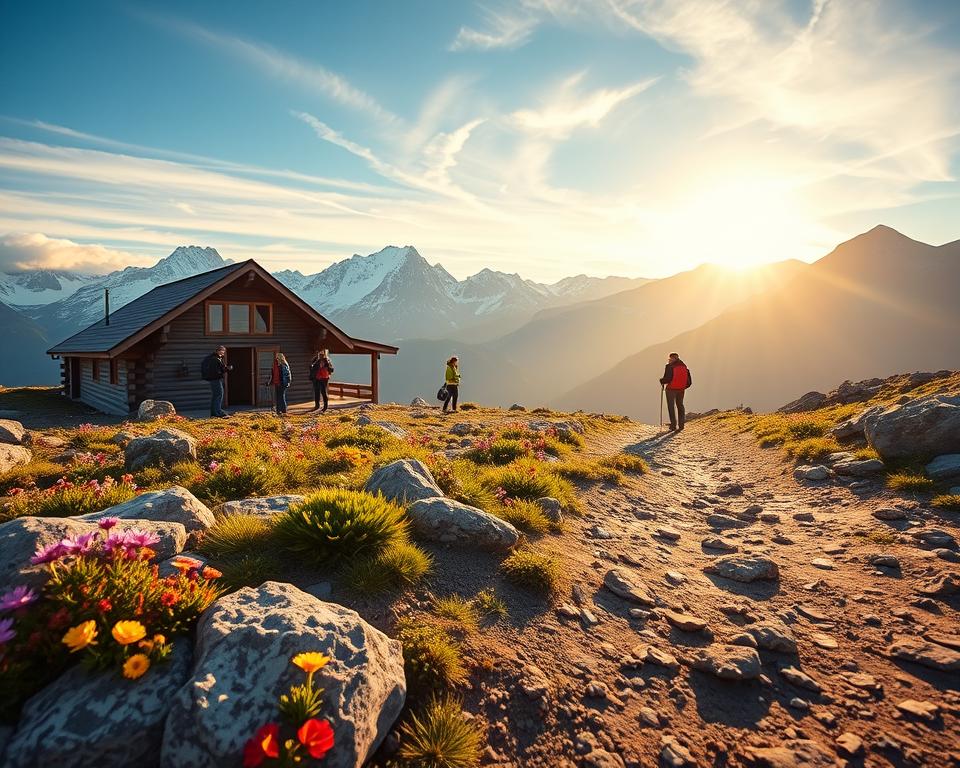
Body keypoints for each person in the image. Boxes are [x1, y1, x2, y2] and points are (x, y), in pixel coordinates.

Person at [659, 352, 692, 431]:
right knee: (680, 405)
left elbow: (667, 379)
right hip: (681, 389)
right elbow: (689, 382)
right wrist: (683, 387)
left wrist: (661, 381)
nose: (669, 360)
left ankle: (673, 425)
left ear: (673, 358)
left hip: (670, 389)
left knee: (671, 406)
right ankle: (681, 425)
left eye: (670, 358)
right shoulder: (684, 366)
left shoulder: (669, 366)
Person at [201, 345, 232, 418]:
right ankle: (217, 412)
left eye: (224, 350)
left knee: (216, 396)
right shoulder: (215, 359)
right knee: (219, 395)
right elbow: (217, 371)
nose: (223, 352)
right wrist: (227, 369)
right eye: (222, 350)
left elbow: (219, 369)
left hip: (214, 379)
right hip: (215, 379)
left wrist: (225, 368)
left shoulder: (217, 358)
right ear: (218, 351)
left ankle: (215, 413)